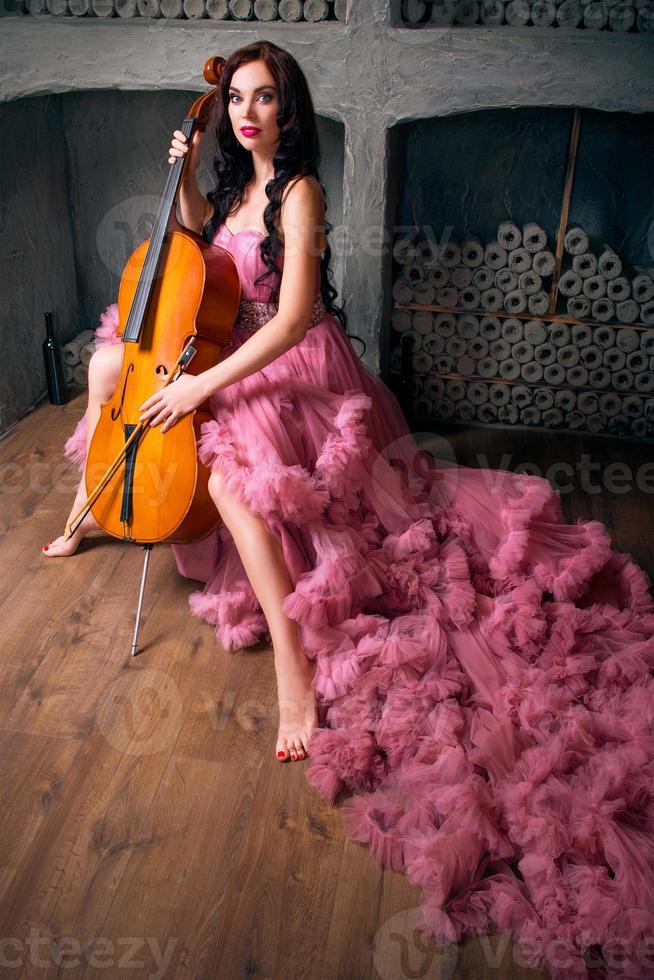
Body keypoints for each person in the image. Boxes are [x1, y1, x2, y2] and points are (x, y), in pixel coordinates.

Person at [43, 40, 654, 978]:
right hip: (226, 352)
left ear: (291, 111)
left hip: (294, 369)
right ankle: (101, 502)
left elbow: (285, 320)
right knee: (141, 390)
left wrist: (204, 386)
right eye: (236, 100)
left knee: (232, 462)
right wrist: (190, 197)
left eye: (265, 100)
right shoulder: (237, 190)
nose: (246, 113)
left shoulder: (299, 196)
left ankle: (296, 665)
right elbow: (208, 268)